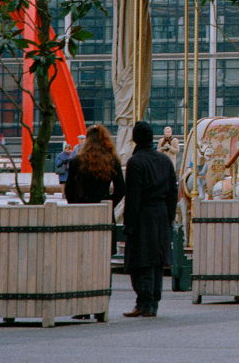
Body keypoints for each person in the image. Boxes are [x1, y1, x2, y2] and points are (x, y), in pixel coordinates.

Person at [123, 121, 177, 318]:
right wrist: (169, 216)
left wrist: (129, 223)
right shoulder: (164, 160)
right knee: (157, 260)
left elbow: (133, 196)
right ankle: (152, 302)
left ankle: (144, 302)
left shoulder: (135, 162)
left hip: (143, 214)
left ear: (135, 138)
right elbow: (173, 191)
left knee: (141, 259)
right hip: (161, 213)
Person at [64, 126, 125, 207]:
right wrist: (109, 203)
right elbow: (121, 189)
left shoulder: (76, 161)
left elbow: (69, 189)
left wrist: (75, 204)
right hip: (104, 207)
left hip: (82, 206)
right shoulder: (112, 161)